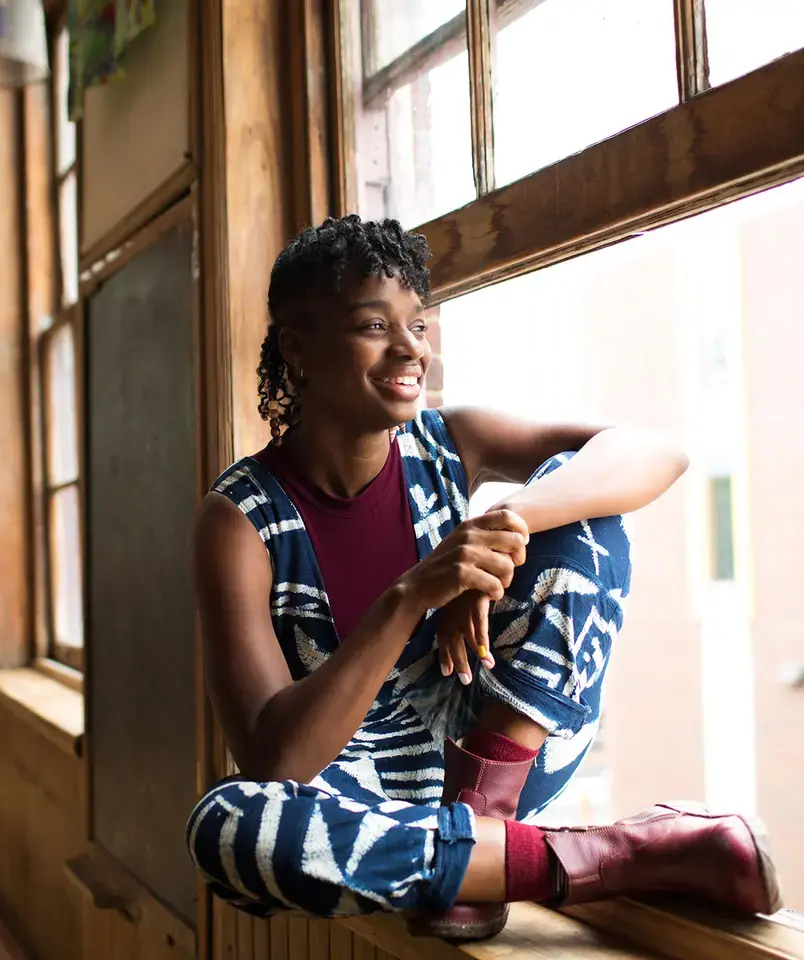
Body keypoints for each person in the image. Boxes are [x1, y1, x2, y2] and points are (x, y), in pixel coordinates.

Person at [186, 215, 781, 941]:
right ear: (299, 348)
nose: (411, 349)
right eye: (376, 325)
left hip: (492, 749)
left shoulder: (449, 441)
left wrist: (507, 523)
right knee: (227, 826)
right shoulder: (239, 517)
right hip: (353, 788)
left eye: (418, 325)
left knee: (584, 506)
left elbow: (654, 451)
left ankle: (481, 832)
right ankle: (612, 853)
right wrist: (409, 596)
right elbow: (277, 761)